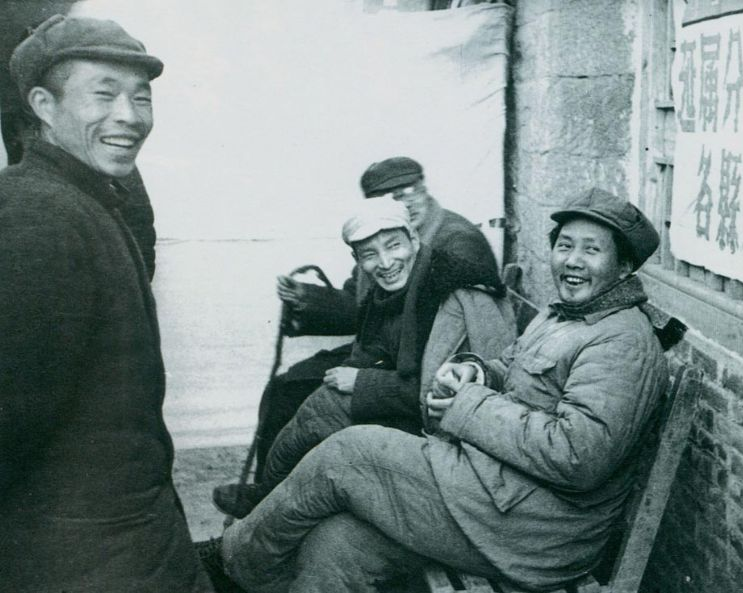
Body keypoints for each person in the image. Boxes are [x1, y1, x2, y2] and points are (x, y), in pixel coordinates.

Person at [216, 187, 675, 593]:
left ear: (623, 266)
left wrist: (469, 405)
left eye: (591, 250)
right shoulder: (563, 316)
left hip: (536, 529)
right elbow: (507, 367)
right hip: (493, 493)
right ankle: (251, 572)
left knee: (349, 454)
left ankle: (225, 566)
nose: (572, 260)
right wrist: (474, 372)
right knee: (336, 543)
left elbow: (577, 455)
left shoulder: (621, 340)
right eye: (565, 246)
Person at [0, 15, 212, 593]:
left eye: (141, 97)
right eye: (104, 93)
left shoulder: (86, 197)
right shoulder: (37, 215)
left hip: (129, 542)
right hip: (85, 560)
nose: (130, 116)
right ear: (43, 105)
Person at [214, 196, 513, 519]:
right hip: (409, 405)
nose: (385, 262)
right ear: (357, 260)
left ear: (414, 239)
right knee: (309, 397)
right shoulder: (392, 290)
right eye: (370, 254)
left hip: (447, 434)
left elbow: (441, 395)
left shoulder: (452, 297)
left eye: (393, 246)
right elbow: (375, 346)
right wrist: (352, 371)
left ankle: (273, 505)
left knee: (326, 414)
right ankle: (271, 496)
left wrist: (361, 381)